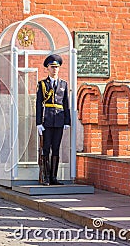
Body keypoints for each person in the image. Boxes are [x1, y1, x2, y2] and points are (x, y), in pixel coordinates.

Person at [36, 54, 71, 186]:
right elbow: (39, 104)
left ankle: (53, 177)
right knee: (46, 148)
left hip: (59, 121)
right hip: (47, 120)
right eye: (52, 67)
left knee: (56, 148)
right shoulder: (43, 84)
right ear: (47, 68)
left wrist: (67, 121)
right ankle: (45, 177)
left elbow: (66, 104)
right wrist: (38, 123)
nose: (55, 69)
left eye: (57, 67)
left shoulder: (63, 84)